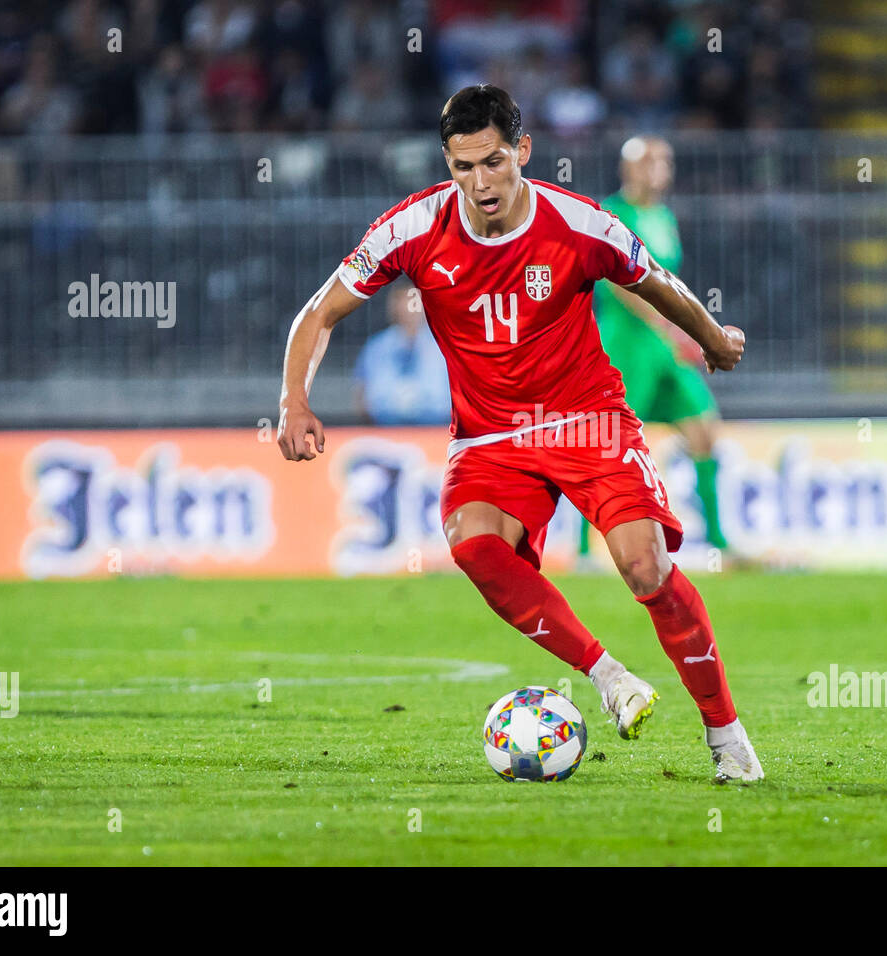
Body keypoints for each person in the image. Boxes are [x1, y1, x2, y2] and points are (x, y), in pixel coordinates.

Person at [277, 85, 762, 782]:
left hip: (586, 419)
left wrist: (713, 338)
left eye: (494, 162)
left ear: (523, 151)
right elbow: (318, 313)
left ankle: (726, 736)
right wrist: (293, 399)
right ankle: (608, 675)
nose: (480, 183)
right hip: (490, 437)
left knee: (645, 568)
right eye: (463, 167)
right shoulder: (411, 229)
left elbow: (656, 282)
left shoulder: (579, 224)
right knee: (472, 544)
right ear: (447, 163)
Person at [582, 135, 731, 565]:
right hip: (626, 342)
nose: (659, 170)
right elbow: (617, 279)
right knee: (609, 443)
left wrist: (680, 325)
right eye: (649, 162)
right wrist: (669, 325)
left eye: (664, 161)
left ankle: (718, 539)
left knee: (703, 426)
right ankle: (581, 547)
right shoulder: (613, 213)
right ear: (627, 169)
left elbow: (669, 279)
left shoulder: (663, 215)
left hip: (663, 343)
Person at [352, 282, 450, 425]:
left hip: (436, 430)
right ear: (392, 305)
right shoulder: (376, 348)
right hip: (386, 430)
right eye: (402, 300)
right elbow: (361, 395)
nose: (408, 308)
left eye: (414, 300)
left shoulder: (444, 347)